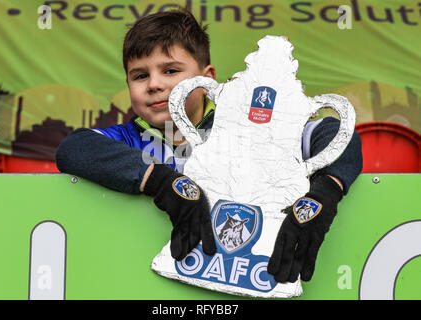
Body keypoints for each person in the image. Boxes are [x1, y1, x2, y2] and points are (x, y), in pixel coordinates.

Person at [55, 9, 363, 283]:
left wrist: (326, 191)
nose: (154, 84)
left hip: (250, 278)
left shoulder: (247, 125)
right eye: (139, 75)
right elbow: (74, 147)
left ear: (207, 80)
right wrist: (159, 180)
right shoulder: (128, 136)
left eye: (171, 70)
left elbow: (334, 131)